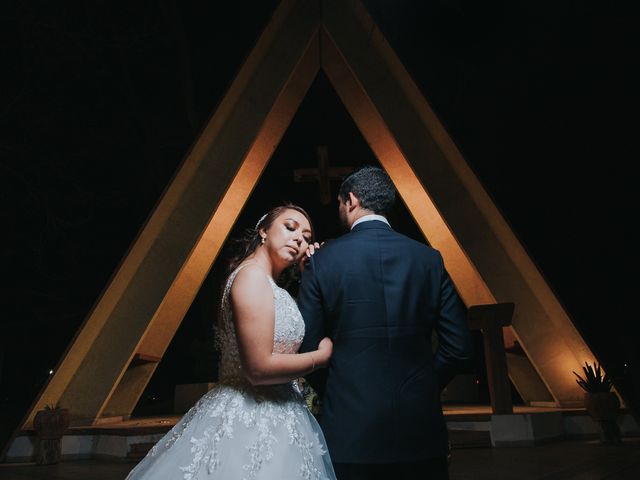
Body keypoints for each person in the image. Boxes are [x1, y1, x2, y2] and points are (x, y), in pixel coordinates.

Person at [126, 205, 337, 480]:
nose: (300, 239)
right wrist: (320, 358)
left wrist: (312, 271)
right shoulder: (251, 278)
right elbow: (258, 368)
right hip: (249, 421)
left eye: (307, 236)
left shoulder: (269, 284)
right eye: (290, 227)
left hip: (283, 418)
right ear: (263, 231)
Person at [298, 166, 472, 480]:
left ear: (350, 200)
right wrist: (422, 384)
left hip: (351, 434)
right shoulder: (429, 259)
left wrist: (339, 388)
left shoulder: (322, 262)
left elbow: (309, 346)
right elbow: (459, 347)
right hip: (421, 432)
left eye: (339, 204)